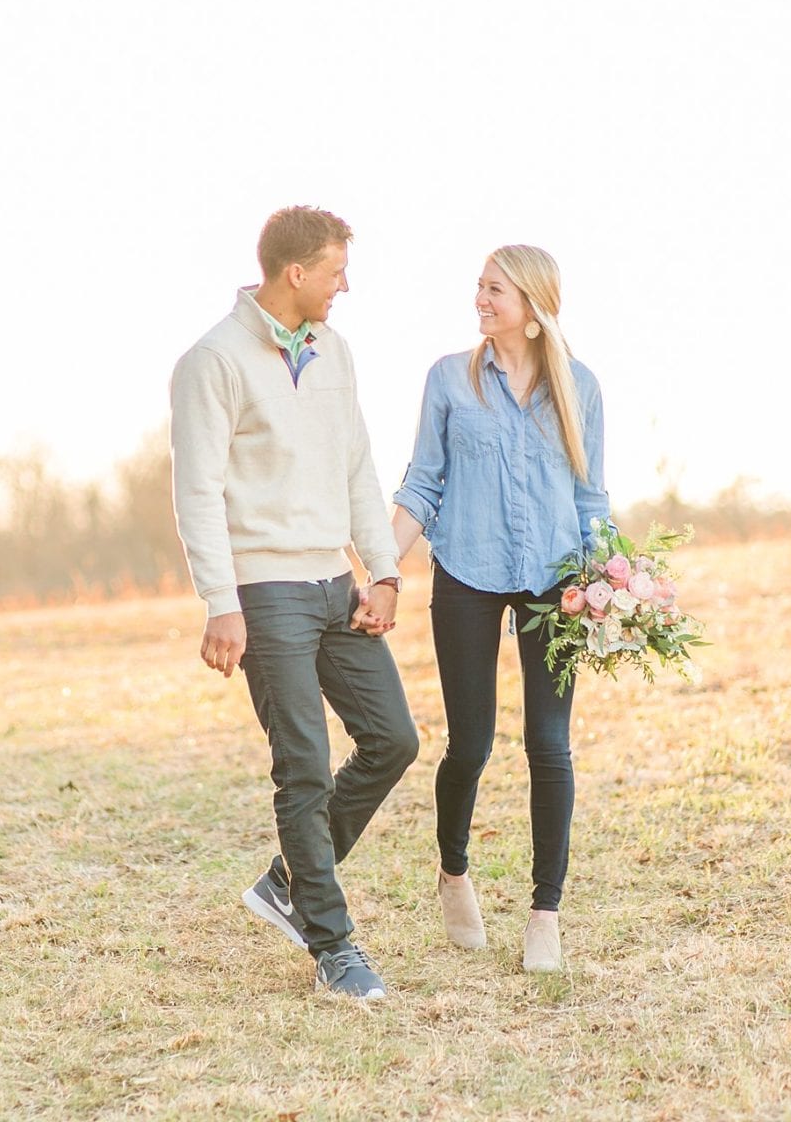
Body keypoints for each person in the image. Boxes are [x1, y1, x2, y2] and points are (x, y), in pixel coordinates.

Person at [170, 205, 418, 1000]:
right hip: (265, 590)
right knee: (303, 766)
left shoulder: (335, 351)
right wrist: (220, 600)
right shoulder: (213, 361)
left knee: (393, 739)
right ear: (295, 272)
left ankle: (287, 881)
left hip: (333, 583)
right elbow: (197, 492)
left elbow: (356, 466)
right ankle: (333, 946)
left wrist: (382, 572)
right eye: (336, 271)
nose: (345, 285)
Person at [389, 244, 609, 973]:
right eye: (479, 288)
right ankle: (454, 872)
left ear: (534, 308)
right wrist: (381, 568)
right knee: (471, 745)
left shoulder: (580, 387)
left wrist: (610, 583)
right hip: (467, 573)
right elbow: (423, 484)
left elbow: (590, 498)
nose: (480, 301)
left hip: (555, 581)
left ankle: (545, 915)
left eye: (494, 291)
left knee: (549, 745)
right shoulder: (450, 380)